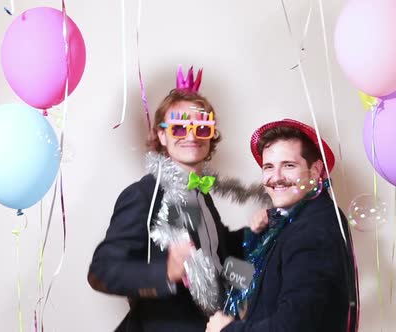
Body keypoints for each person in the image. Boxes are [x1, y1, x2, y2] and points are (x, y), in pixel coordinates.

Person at [87, 65, 245, 332]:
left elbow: (218, 250)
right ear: (162, 135)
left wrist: (264, 234)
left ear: (211, 135)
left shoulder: (201, 193)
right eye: (180, 128)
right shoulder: (143, 196)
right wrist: (166, 273)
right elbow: (102, 270)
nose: (192, 136)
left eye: (201, 128)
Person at [206, 119, 360, 332]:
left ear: (315, 171)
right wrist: (264, 228)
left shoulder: (313, 233)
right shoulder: (298, 217)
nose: (276, 178)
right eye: (268, 167)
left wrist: (227, 330)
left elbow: (291, 327)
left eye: (288, 165)